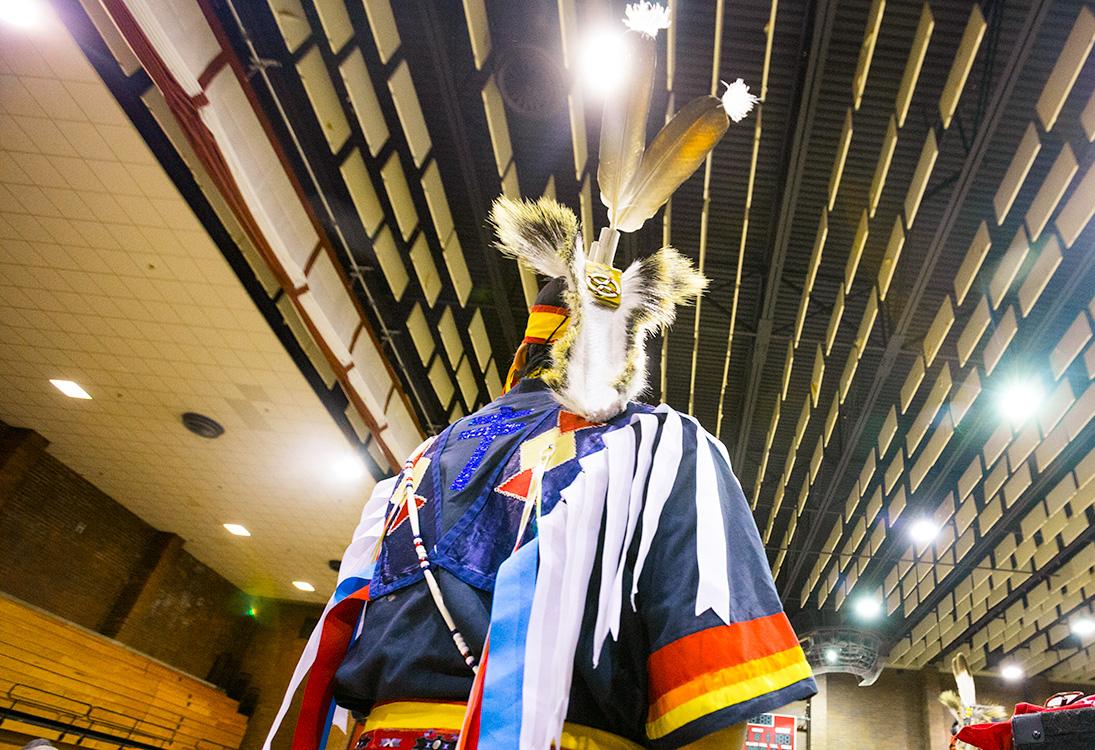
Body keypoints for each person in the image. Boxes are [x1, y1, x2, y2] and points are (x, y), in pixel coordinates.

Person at [267, 7, 813, 747]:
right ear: (624, 350)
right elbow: (710, 690)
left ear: (522, 355)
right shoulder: (661, 449)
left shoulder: (419, 465)